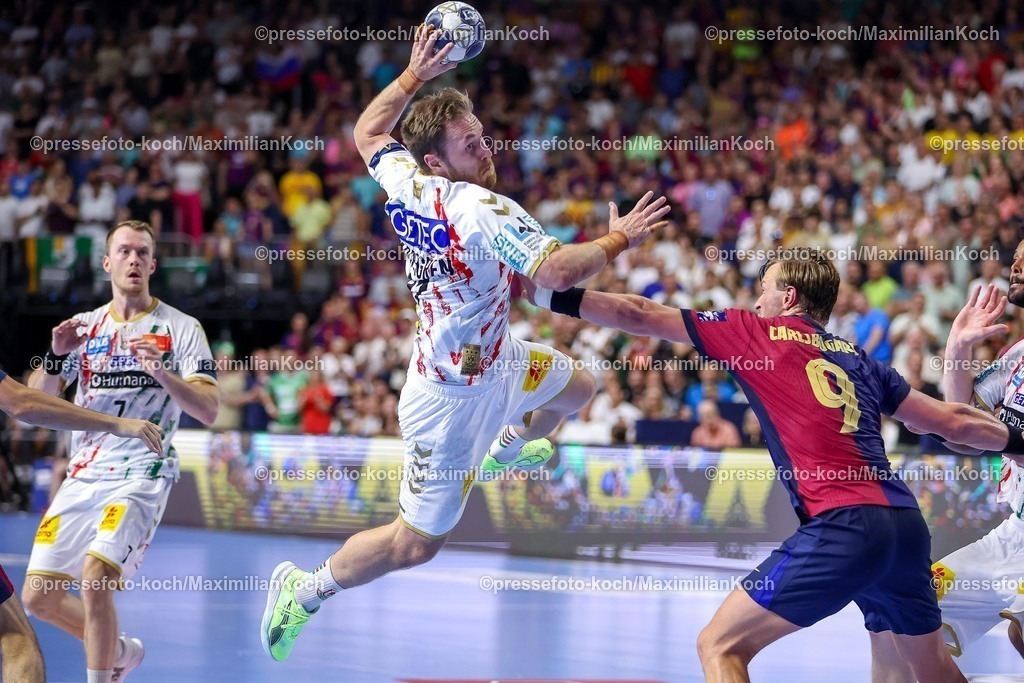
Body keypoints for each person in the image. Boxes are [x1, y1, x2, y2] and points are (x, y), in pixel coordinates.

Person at [260, 24, 669, 662]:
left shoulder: (406, 182)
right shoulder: (482, 208)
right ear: (437, 162)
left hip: (497, 361)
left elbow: (369, 132)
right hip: (446, 399)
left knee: (580, 386)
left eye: (481, 133)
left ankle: (508, 446)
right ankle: (304, 590)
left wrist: (415, 73)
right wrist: (619, 241)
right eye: (468, 142)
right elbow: (557, 273)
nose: (483, 145)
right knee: (414, 545)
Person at [521, 249, 1024, 682]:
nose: (754, 300)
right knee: (929, 671)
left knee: (719, 645)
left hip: (843, 524)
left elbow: (640, 313)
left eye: (762, 289)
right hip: (904, 526)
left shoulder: (755, 332)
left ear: (788, 299)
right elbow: (949, 424)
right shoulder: (860, 359)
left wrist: (547, 295)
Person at [21, 219, 220, 683]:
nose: (133, 260)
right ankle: (121, 651)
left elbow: (209, 409)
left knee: (95, 580)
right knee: (37, 598)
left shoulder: (182, 328)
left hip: (142, 473)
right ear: (107, 262)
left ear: (153, 263)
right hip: (83, 474)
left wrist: (164, 374)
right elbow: (35, 400)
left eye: (142, 253)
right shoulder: (84, 328)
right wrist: (54, 355)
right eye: (125, 252)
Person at [0, 360, 162, 683]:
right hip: (90, 473)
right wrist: (116, 423)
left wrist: (55, 353)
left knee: (88, 581)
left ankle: (113, 653)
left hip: (119, 479)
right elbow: (23, 400)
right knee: (16, 637)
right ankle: (115, 652)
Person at [904, 273, 1024, 664]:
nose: (1016, 266)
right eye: (1016, 257)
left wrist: (1001, 439)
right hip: (1013, 535)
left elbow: (969, 429)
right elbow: (963, 425)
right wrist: (957, 349)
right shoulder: (1018, 354)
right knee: (917, 609)